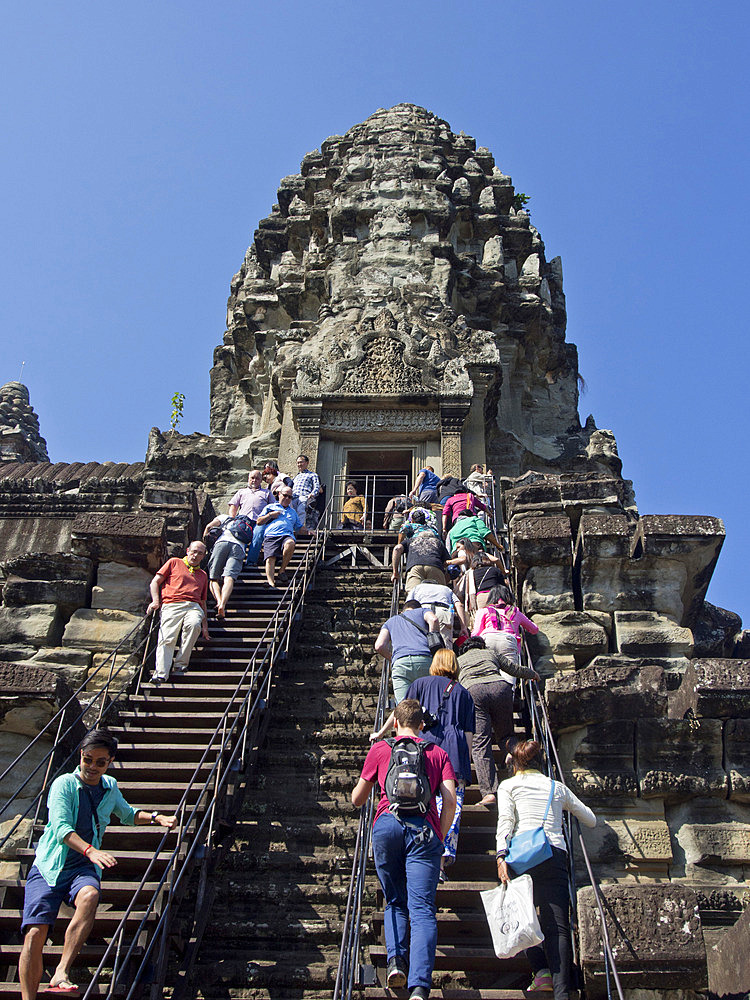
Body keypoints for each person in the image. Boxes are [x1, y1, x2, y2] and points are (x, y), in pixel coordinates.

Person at [18, 729, 177, 1000]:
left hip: (82, 868)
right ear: (81, 755)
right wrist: (91, 851)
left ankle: (62, 972)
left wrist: (155, 817)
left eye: (100, 762)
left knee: (90, 895)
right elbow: (61, 828)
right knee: (35, 932)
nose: (92, 767)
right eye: (88, 759)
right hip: (50, 866)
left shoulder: (109, 786)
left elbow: (126, 814)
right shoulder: (64, 785)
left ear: (110, 762)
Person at [352, 699, 456, 1000]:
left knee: (395, 900)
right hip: (424, 830)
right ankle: (420, 987)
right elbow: (449, 801)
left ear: (395, 723)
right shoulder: (437, 753)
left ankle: (396, 963)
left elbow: (358, 798)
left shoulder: (381, 749)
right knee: (422, 908)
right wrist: (441, 832)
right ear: (422, 725)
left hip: (387, 826)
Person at [496, 740, 596, 998]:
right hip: (553, 854)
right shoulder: (556, 787)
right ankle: (562, 993)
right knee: (558, 927)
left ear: (516, 763)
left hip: (521, 859)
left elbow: (505, 822)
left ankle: (541, 971)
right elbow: (590, 819)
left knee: (519, 919)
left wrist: (500, 857)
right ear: (542, 763)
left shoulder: (508, 786)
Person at [370, 650, 475, 881]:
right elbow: (468, 735)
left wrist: (382, 732)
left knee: (424, 802)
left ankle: (414, 856)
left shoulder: (419, 684)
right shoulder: (464, 693)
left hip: (424, 750)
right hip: (454, 751)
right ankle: (439, 862)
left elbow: (402, 713)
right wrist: (465, 762)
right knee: (451, 808)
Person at [457, 637, 539, 806]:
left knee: (481, 743)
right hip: (500, 688)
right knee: (506, 735)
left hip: (473, 691)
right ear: (481, 645)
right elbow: (512, 668)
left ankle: (488, 793)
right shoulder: (490, 653)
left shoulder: (459, 660)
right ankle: (521, 771)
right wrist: (533, 674)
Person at [148, 541, 210, 682]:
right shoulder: (174, 562)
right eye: (194, 551)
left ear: (203, 556)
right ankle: (161, 673)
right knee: (167, 637)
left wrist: (205, 626)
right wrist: (155, 601)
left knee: (194, 626)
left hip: (193, 606)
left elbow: (203, 601)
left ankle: (181, 664)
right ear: (188, 550)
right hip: (172, 604)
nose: (195, 555)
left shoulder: (203, 574)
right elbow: (155, 582)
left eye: (200, 553)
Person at [374, 599, 441, 703]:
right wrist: (433, 640)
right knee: (429, 703)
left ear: (403, 611)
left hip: (400, 665)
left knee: (404, 707)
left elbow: (379, 646)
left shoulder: (391, 621)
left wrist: (393, 658)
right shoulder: (422, 611)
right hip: (425, 660)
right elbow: (434, 620)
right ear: (418, 608)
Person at [472, 585, 538, 665]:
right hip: (508, 641)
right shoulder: (515, 612)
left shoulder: (484, 611)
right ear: (508, 597)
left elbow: (476, 632)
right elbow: (534, 629)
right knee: (509, 674)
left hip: (488, 640)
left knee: (490, 672)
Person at [256, 485, 302, 588]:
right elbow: (258, 522)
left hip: (287, 535)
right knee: (270, 558)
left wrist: (309, 532)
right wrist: (270, 515)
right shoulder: (270, 507)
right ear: (279, 494)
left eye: (290, 497)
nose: (287, 499)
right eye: (285, 495)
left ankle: (282, 570)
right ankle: (271, 583)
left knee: (290, 543)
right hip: (271, 535)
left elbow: (299, 527)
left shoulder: (293, 512)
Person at [391, 513, 451, 592]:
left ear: (412, 520)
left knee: (413, 596)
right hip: (435, 564)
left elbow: (397, 549)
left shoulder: (410, 528)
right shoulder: (433, 532)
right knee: (438, 594)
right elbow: (447, 561)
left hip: (415, 565)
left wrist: (395, 572)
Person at [202, 513, 246, 618]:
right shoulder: (246, 524)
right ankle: (223, 604)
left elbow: (209, 526)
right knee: (229, 577)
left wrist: (204, 541)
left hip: (221, 543)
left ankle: (219, 601)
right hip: (239, 546)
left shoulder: (224, 517)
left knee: (213, 578)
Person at [405, 580, 468, 649]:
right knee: (444, 646)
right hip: (443, 611)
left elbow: (408, 605)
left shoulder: (417, 587)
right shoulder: (446, 589)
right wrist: (463, 627)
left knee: (422, 643)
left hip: (423, 610)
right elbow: (459, 605)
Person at [292, 454, 323, 530]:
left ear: (307, 463)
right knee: (292, 514)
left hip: (304, 496)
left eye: (301, 462)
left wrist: (312, 494)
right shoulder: (296, 477)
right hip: (293, 497)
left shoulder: (312, 475)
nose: (299, 464)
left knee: (301, 512)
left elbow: (316, 486)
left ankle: (299, 529)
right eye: (298, 463)